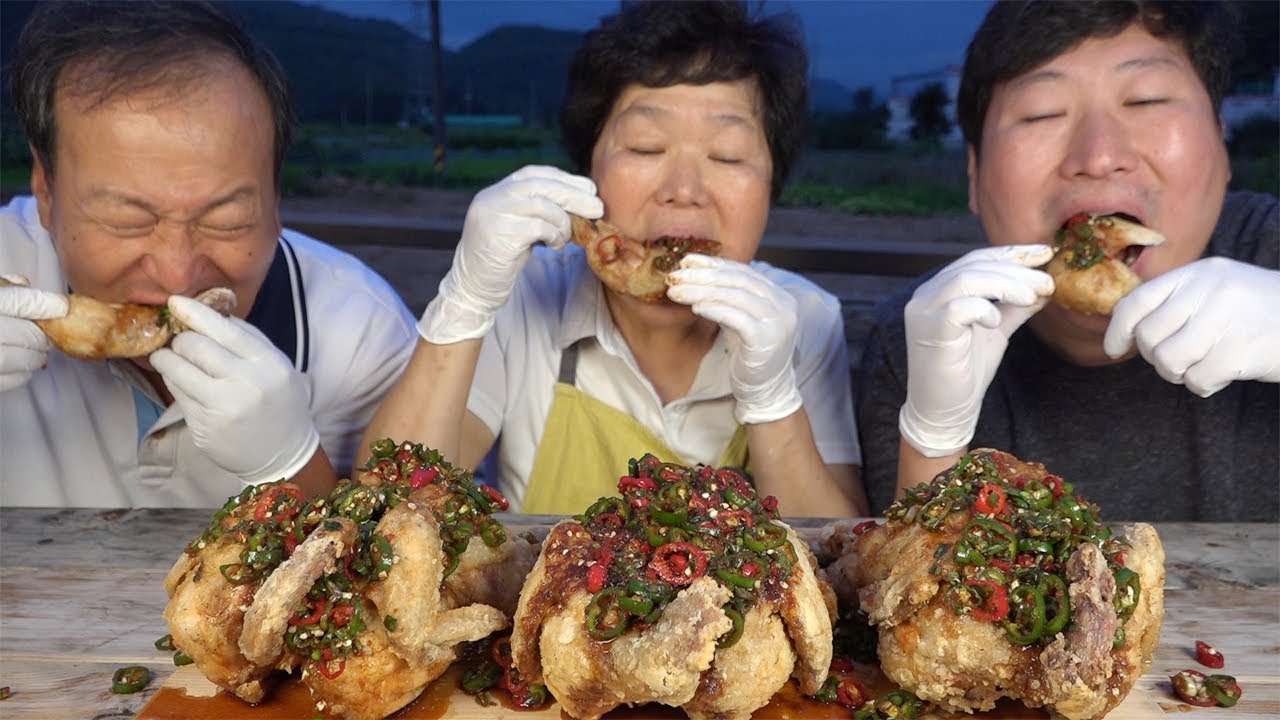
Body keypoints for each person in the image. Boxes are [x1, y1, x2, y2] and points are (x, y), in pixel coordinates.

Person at [361, 0, 867, 516]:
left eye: (728, 157)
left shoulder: (804, 316)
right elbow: (388, 508)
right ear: (589, 170)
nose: (684, 190)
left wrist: (773, 402)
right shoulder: (525, 292)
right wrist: (464, 303)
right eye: (647, 148)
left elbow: (836, 555)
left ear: (770, 188)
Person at [856, 0, 1279, 521]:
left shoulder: (1271, 251)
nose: (1098, 156)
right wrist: (932, 438)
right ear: (974, 174)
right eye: (1042, 113)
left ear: (1222, 139)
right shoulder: (924, 341)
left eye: (1147, 100)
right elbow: (912, 587)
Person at [0, 1, 417, 507]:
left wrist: (293, 463)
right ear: (46, 191)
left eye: (226, 222)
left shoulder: (362, 334)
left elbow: (399, 559)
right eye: (127, 221)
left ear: (275, 201)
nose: (177, 275)